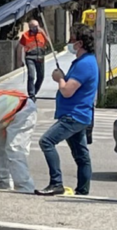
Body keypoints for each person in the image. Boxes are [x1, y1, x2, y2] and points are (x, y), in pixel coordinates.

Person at [36, 23, 98, 196]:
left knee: (46, 142)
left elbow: (67, 90)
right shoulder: (83, 61)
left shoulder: (84, 64)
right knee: (81, 155)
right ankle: (82, 191)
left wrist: (59, 78)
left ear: (80, 43)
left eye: (71, 39)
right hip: (77, 114)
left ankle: (56, 183)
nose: (69, 43)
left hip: (74, 115)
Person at [0, 89, 37, 193]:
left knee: (15, 149)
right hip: (14, 110)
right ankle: (4, 182)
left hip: (22, 110)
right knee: (0, 150)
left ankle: (25, 186)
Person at [17, 19, 48, 102]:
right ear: (30, 27)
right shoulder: (25, 35)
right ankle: (31, 95)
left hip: (40, 57)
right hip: (30, 57)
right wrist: (20, 60)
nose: (37, 28)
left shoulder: (41, 33)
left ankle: (34, 91)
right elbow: (19, 48)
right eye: (34, 27)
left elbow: (48, 42)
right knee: (31, 76)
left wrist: (44, 33)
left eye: (37, 26)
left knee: (41, 77)